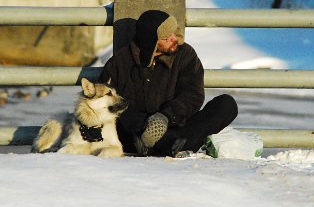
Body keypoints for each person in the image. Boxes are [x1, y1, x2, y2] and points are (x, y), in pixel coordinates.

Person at [99, 10, 238, 157]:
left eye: (173, 33)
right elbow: (108, 102)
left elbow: (192, 95)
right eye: (166, 38)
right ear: (151, 43)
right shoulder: (120, 62)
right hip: (135, 135)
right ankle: (172, 146)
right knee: (123, 122)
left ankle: (174, 144)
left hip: (176, 126)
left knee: (226, 105)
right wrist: (143, 127)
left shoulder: (186, 55)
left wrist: (166, 116)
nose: (174, 39)